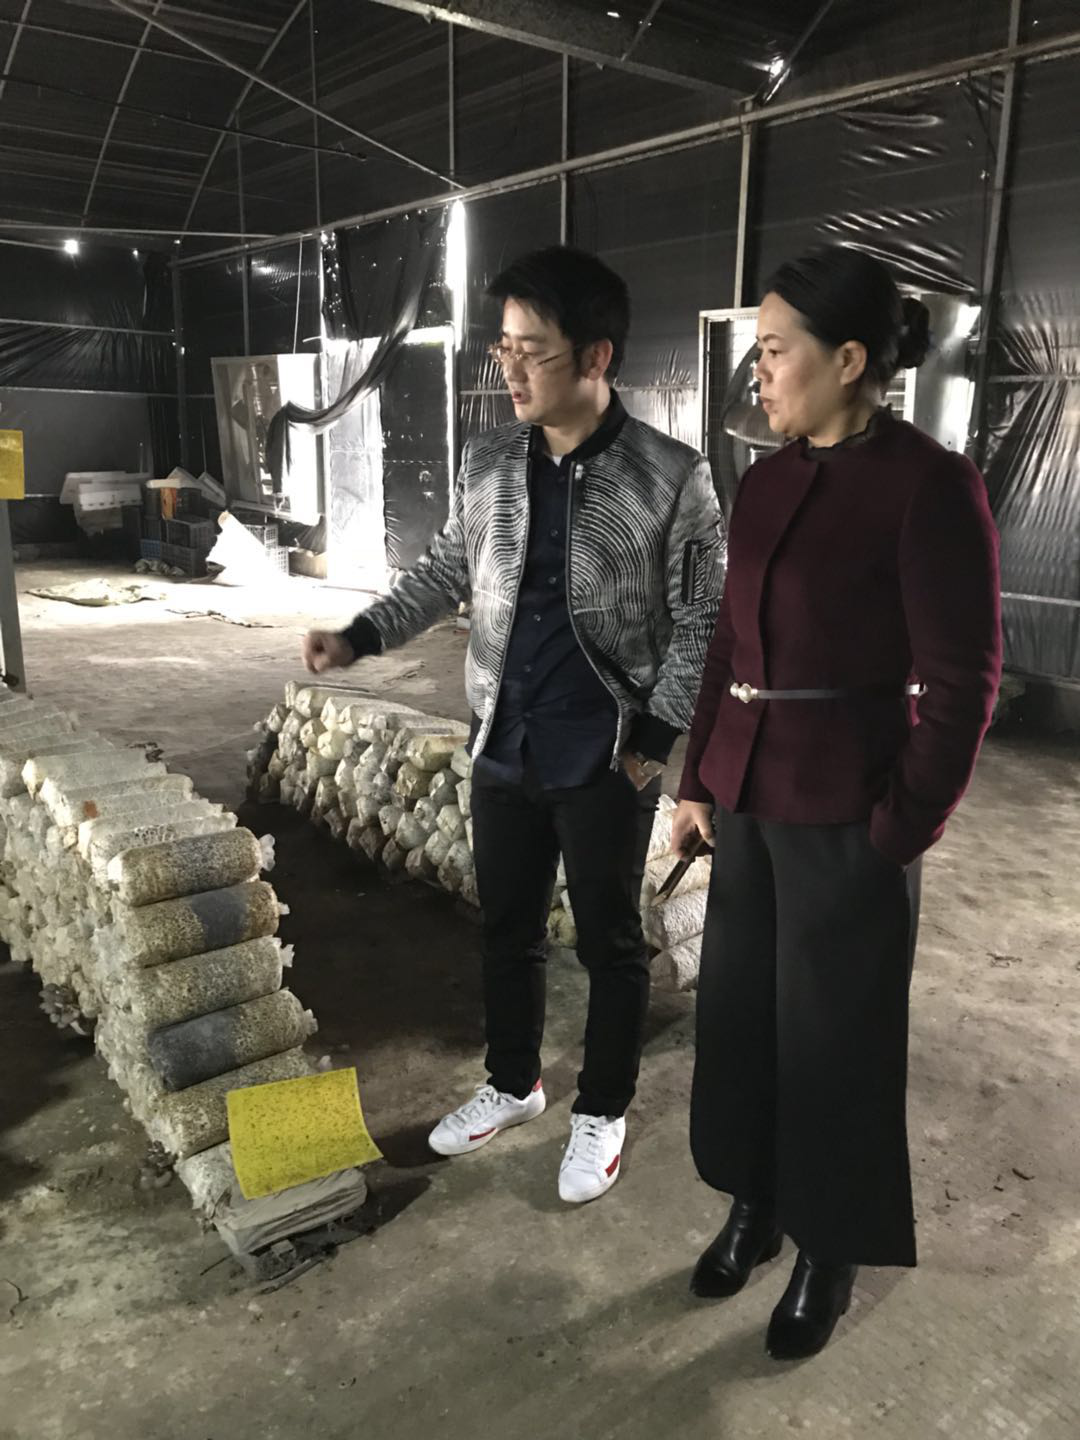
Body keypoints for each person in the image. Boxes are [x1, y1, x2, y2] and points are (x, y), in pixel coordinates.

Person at [304, 245, 725, 1204]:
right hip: (504, 738)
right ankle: (512, 1082)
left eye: (532, 349)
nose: (510, 368)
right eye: (503, 347)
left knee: (611, 943)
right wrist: (360, 636)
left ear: (596, 357)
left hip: (605, 754)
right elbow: (444, 572)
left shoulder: (672, 477)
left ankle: (602, 1108)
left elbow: (704, 622)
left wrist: (653, 746)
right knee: (507, 930)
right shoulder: (490, 461)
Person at [671, 245, 1001, 1357]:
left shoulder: (928, 485)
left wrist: (901, 827)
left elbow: (964, 680)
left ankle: (828, 1244)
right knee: (744, 1023)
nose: (758, 371)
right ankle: (756, 1204)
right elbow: (729, 644)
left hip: (851, 812)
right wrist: (699, 780)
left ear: (850, 359)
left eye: (776, 350)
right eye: (757, 350)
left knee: (837, 1042)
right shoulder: (764, 481)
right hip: (751, 800)